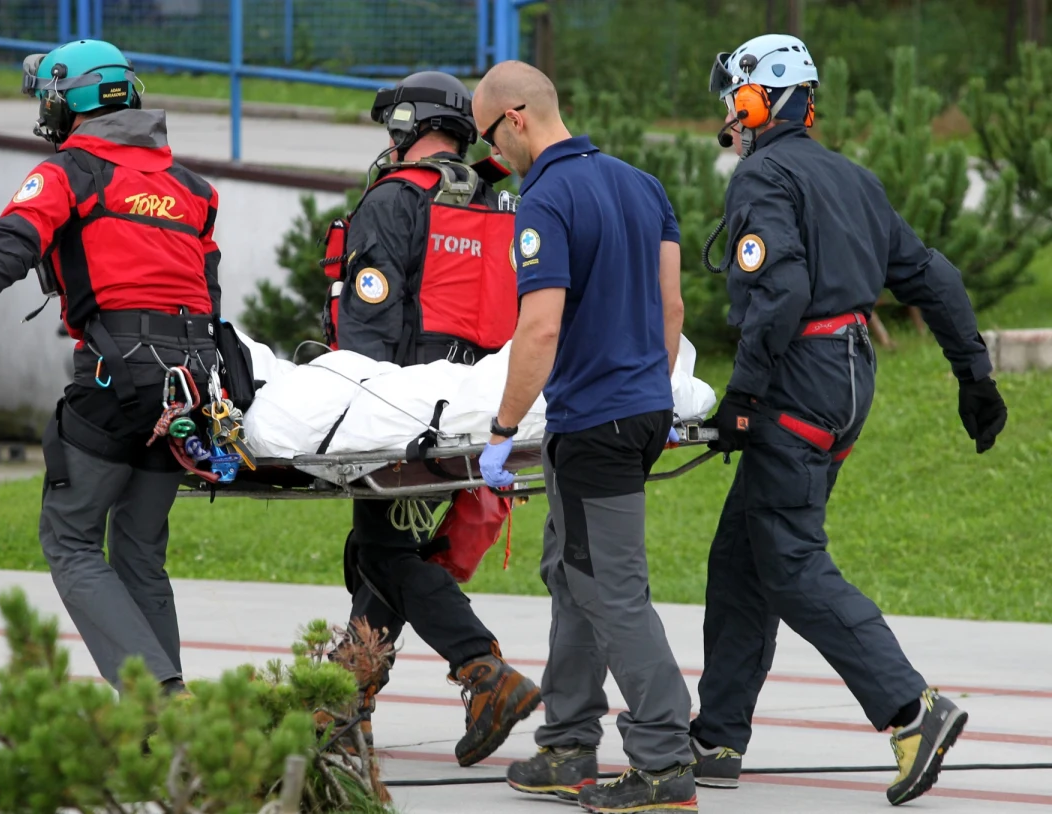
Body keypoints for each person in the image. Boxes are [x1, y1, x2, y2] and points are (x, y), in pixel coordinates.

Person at [688, 34, 1009, 807]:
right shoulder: (851, 177)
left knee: (791, 560)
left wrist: (742, 397)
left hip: (799, 378)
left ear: (761, 96)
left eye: (734, 95)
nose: (729, 111)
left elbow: (782, 291)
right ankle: (717, 737)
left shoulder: (762, 175)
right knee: (743, 555)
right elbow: (934, 274)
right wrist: (976, 376)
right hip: (848, 373)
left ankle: (910, 710)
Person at [0, 39, 224, 697]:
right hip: (190, 386)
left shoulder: (69, 173)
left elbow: (8, 246)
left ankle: (160, 697)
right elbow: (208, 294)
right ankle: (178, 729)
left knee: (72, 542)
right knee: (138, 553)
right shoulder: (193, 190)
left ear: (64, 101)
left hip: (116, 380)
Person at [473, 61, 698, 813]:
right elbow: (671, 310)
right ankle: (568, 744)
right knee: (572, 575)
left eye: (489, 140)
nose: (493, 161)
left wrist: (503, 430)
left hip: (592, 423)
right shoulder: (643, 185)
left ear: (515, 119)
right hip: (636, 412)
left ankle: (665, 760)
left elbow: (540, 326)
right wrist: (650, 398)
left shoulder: (545, 198)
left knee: (612, 591)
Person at [322, 70, 541, 768]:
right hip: (476, 409)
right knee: (382, 552)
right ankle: (343, 704)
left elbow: (368, 316)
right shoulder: (496, 203)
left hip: (403, 407)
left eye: (393, 130)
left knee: (384, 550)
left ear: (410, 128)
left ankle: (484, 673)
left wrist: (352, 405)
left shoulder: (394, 200)